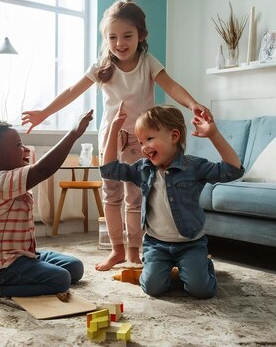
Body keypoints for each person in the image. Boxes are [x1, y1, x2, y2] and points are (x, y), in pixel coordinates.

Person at [21, 0, 213, 271]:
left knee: (134, 197)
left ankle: (134, 251)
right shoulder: (102, 66)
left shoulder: (147, 63)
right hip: (111, 138)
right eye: (112, 37)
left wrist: (192, 103)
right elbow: (72, 91)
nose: (120, 43)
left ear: (141, 36)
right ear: (105, 39)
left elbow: (171, 86)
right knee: (110, 196)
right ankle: (117, 251)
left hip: (140, 140)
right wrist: (44, 113)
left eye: (127, 36)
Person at [100, 103, 244, 299]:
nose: (144, 148)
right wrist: (114, 129)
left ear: (174, 136)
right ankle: (169, 270)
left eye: (149, 139)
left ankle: (201, 265)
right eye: (141, 142)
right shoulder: (143, 169)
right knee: (152, 288)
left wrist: (213, 134)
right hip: (156, 244)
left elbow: (233, 170)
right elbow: (109, 169)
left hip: (191, 243)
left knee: (201, 291)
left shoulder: (193, 167)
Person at [0, 110, 93, 298]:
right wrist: (73, 133)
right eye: (18, 145)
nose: (24, 149)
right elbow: (43, 170)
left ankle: (29, 270)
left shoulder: (9, 178)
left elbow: (37, 169)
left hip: (21, 255)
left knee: (75, 267)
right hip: (1, 264)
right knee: (61, 280)